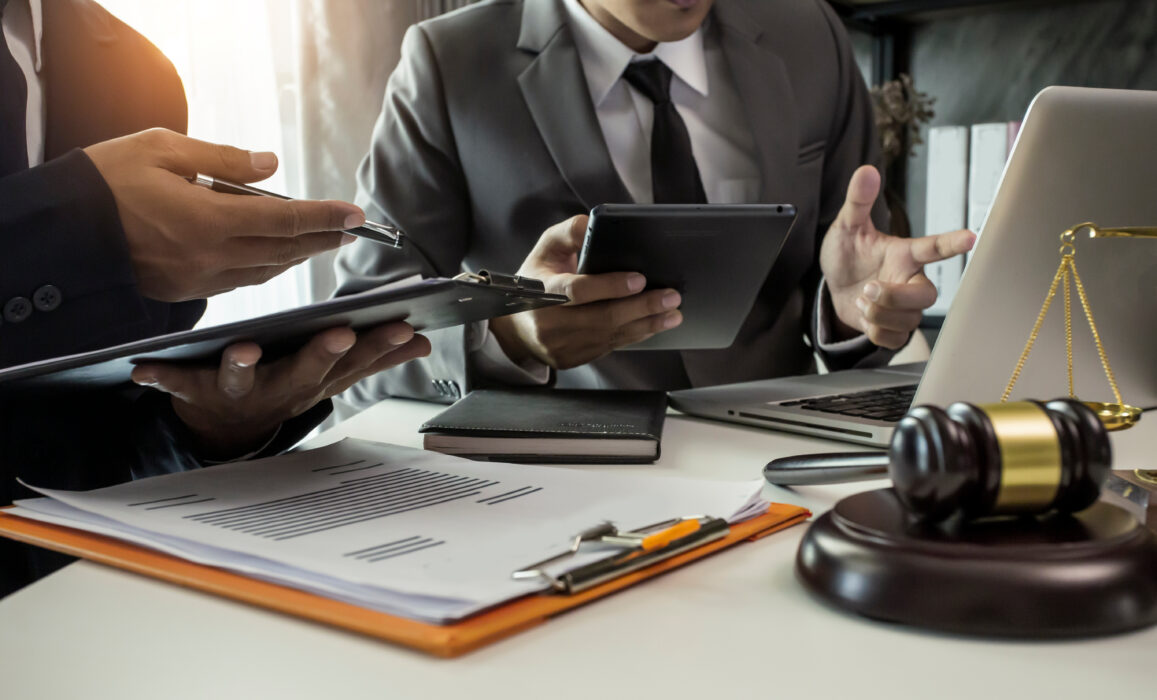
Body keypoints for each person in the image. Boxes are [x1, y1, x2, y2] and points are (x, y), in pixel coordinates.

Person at [332, 0, 973, 411]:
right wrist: (508, 339)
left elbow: (853, 297)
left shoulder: (812, 37)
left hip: (783, 461)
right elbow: (357, 347)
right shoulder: (449, 64)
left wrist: (853, 314)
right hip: (556, 486)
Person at [0, 0, 429, 594]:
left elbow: (110, 432)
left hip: (91, 597)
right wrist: (70, 232)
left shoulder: (136, 69)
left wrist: (215, 429)